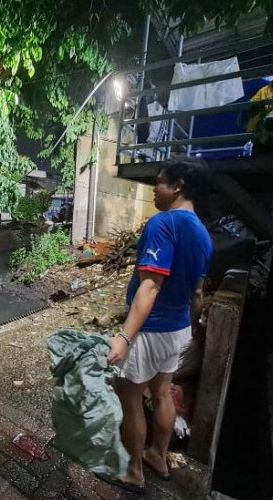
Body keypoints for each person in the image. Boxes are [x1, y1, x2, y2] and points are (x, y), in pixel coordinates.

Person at [105, 158, 213, 492]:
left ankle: (134, 471)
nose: (154, 188)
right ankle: (158, 455)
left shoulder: (163, 224)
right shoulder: (204, 236)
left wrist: (125, 335)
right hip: (179, 327)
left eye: (160, 182)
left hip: (151, 329)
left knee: (131, 395)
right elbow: (198, 294)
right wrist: (189, 329)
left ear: (178, 186)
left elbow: (150, 287)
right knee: (162, 391)